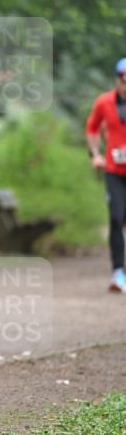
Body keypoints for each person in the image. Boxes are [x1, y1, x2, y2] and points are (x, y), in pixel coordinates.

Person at [86, 57, 126, 293]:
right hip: (113, 171)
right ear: (116, 79)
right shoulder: (104, 102)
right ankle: (118, 272)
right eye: (122, 77)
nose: (125, 82)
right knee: (115, 218)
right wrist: (95, 154)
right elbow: (91, 128)